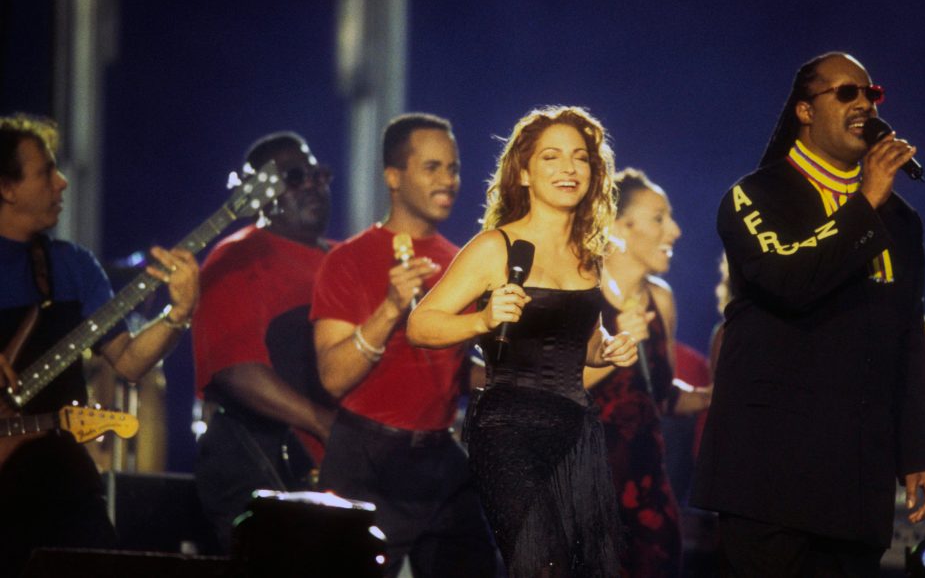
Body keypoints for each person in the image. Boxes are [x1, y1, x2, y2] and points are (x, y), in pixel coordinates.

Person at [691, 53, 925, 577]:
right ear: (805, 111)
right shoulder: (754, 195)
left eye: (871, 94)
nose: (864, 104)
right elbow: (788, 282)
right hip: (769, 480)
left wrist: (919, 449)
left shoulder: (903, 221)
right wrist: (865, 202)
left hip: (857, 484)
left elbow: (909, 338)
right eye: (846, 92)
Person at [407, 105, 639, 578]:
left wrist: (607, 348)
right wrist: (482, 321)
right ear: (526, 173)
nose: (568, 168)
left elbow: (584, 339)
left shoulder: (590, 253)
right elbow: (421, 324)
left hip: (575, 430)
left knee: (589, 567)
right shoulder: (497, 246)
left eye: (580, 158)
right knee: (542, 564)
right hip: (508, 429)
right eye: (551, 157)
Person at [0, 113, 199, 573]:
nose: (63, 182)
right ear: (7, 189)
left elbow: (128, 362)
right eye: (46, 171)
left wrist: (179, 315)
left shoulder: (72, 266)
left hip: (55, 469)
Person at [310, 113, 497, 577]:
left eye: (453, 168)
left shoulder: (462, 262)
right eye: (432, 167)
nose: (449, 180)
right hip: (365, 460)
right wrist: (391, 309)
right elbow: (333, 377)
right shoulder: (347, 260)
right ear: (393, 176)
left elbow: (455, 370)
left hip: (438, 457)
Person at [191, 132, 339, 550]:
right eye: (295, 177)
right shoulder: (236, 258)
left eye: (318, 174)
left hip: (336, 470)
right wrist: (321, 422)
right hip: (262, 465)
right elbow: (236, 370)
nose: (313, 184)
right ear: (260, 195)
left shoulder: (345, 260)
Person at [583, 167, 707, 578]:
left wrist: (716, 396)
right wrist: (618, 346)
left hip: (648, 493)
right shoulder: (581, 293)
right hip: (584, 491)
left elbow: (661, 397)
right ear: (617, 227)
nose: (673, 230)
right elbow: (551, 392)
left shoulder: (661, 300)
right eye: (659, 218)